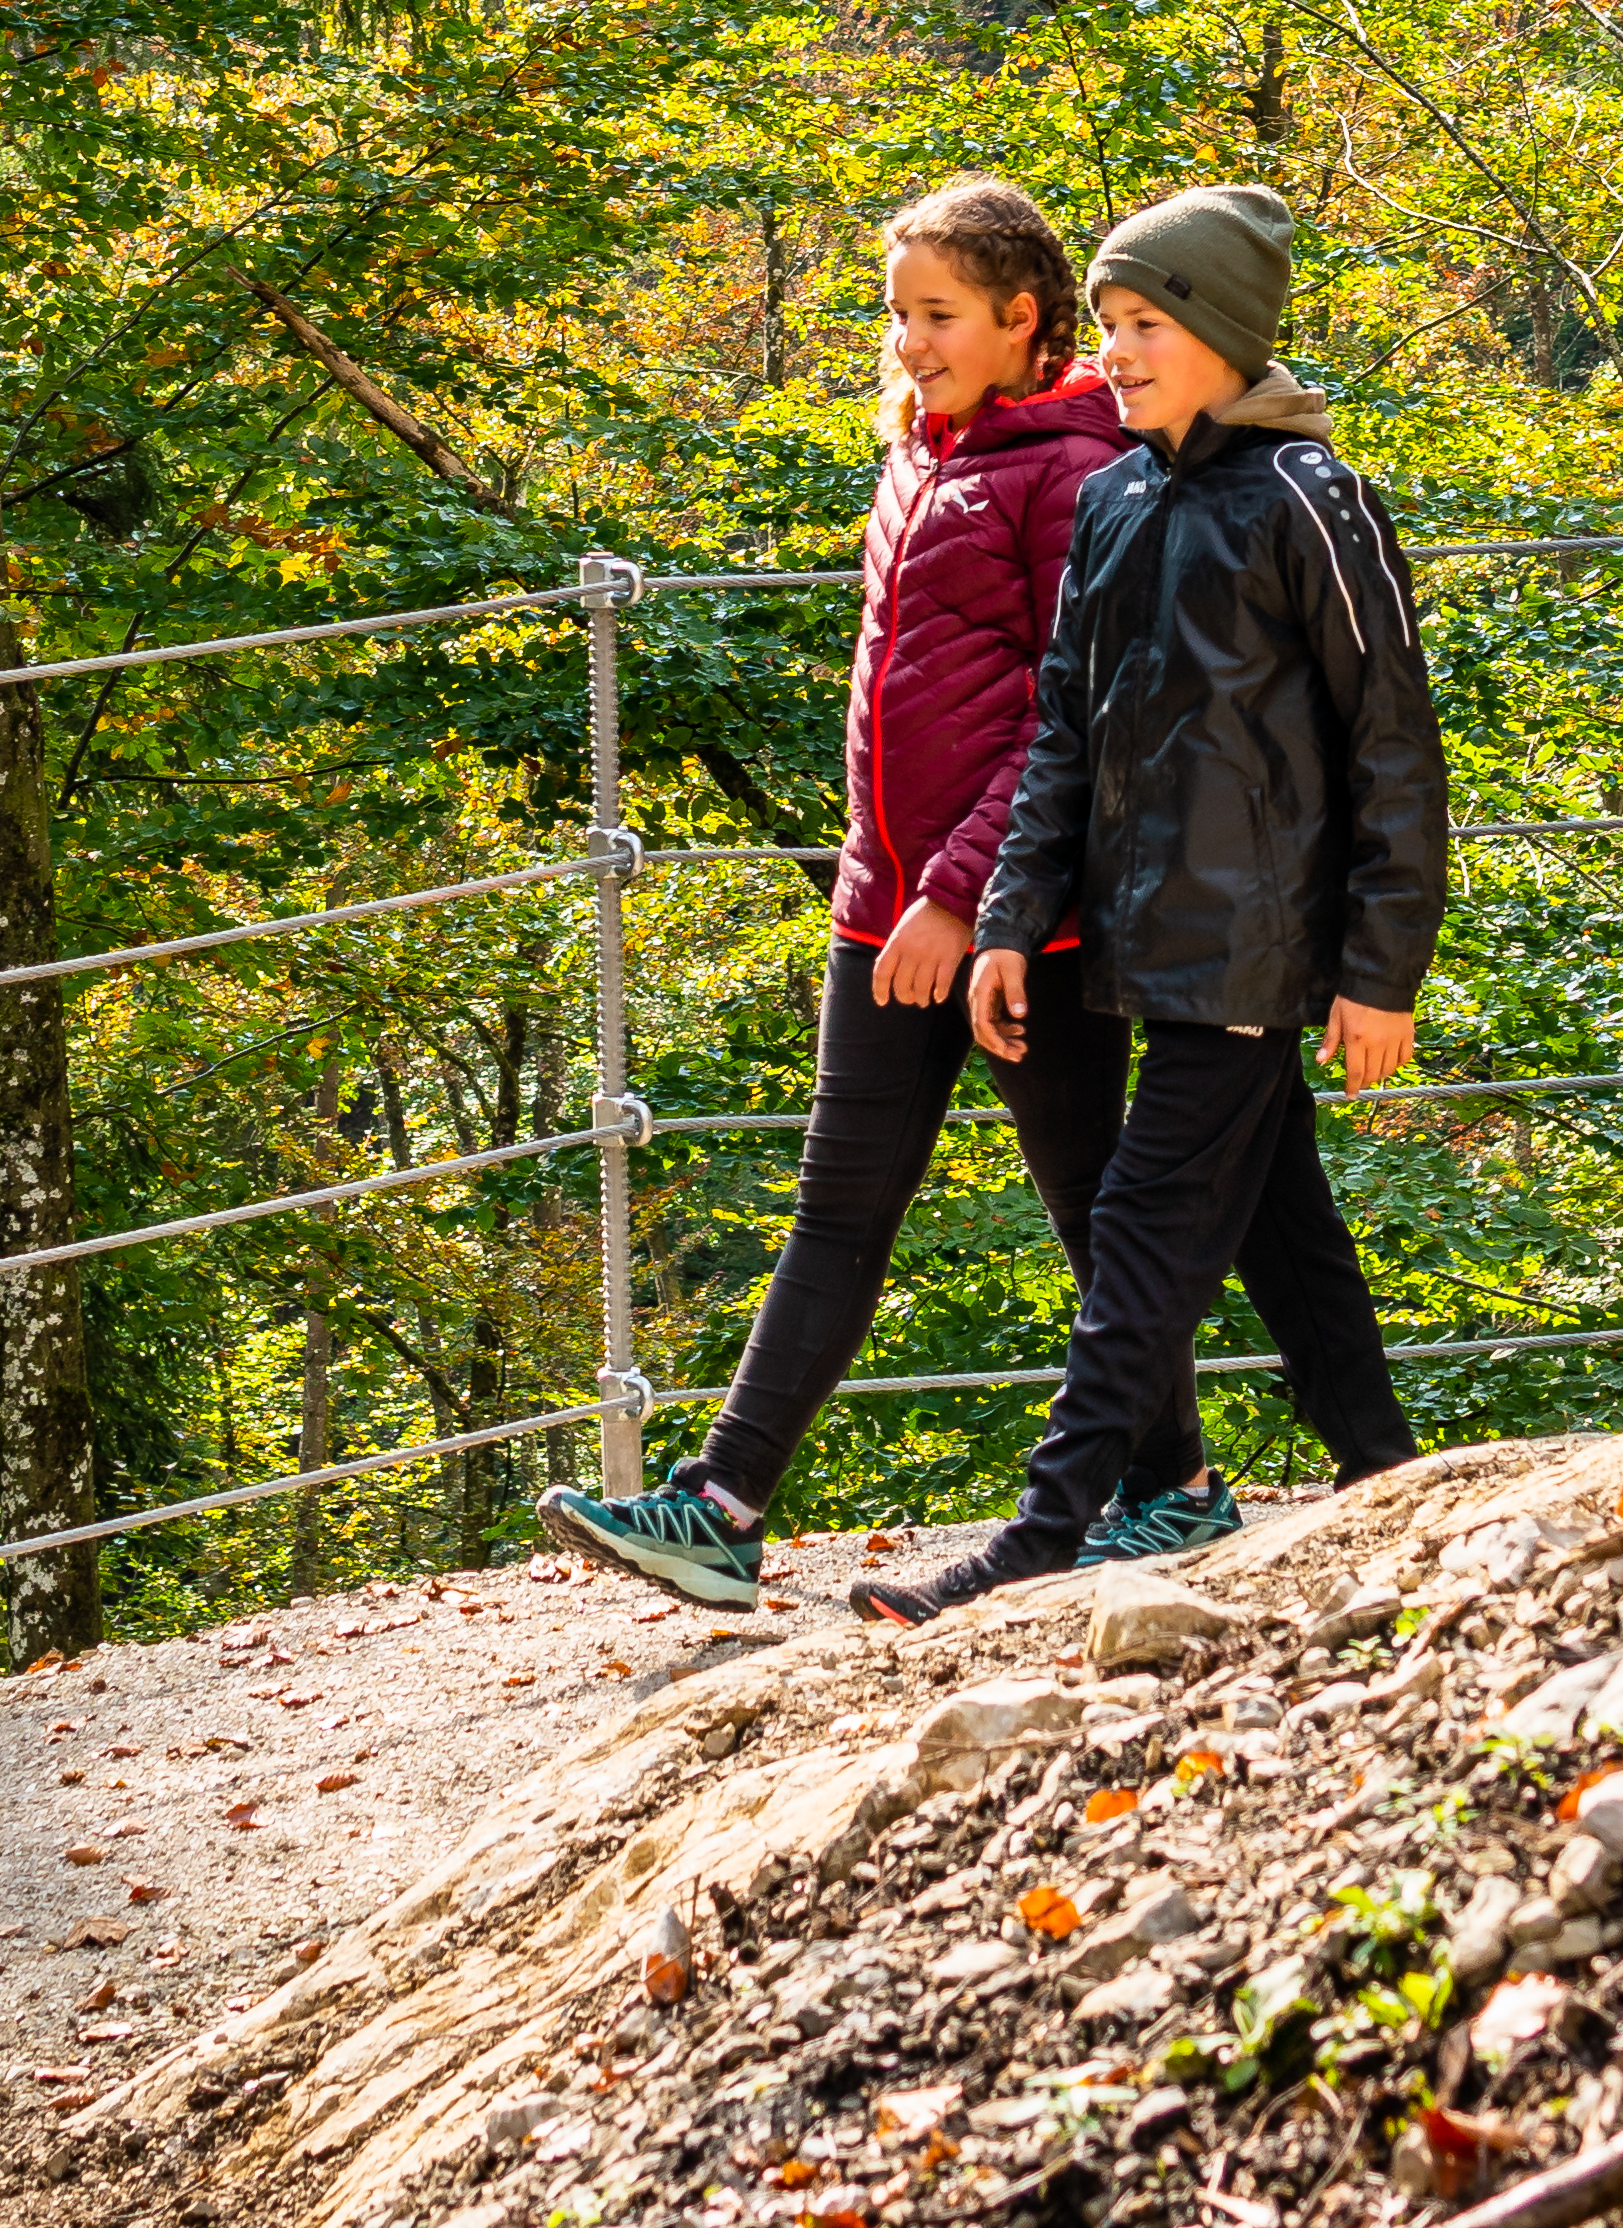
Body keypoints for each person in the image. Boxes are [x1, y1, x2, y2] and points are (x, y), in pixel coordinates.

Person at [534, 180, 1403, 1612]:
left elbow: (1069, 725)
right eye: (897, 314)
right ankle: (725, 1501)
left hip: (1026, 916)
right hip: (889, 904)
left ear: (1021, 319)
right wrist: (892, 880)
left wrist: (969, 896)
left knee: (1100, 1211)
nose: (909, 340)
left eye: (937, 316)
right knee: (841, 1203)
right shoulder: (924, 456)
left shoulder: (1082, 472)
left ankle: (1175, 1487)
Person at [855, 182, 1436, 1627]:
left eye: (1147, 324)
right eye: (1109, 325)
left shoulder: (1315, 500)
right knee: (1280, 1228)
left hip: (1255, 953)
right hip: (1130, 940)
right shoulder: (1114, 500)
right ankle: (1386, 1473)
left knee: (1138, 1233)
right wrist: (1004, 920)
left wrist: (1381, 968)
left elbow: (1392, 747)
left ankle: (1042, 1535)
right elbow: (1060, 734)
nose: (1116, 351)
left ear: (1228, 334)